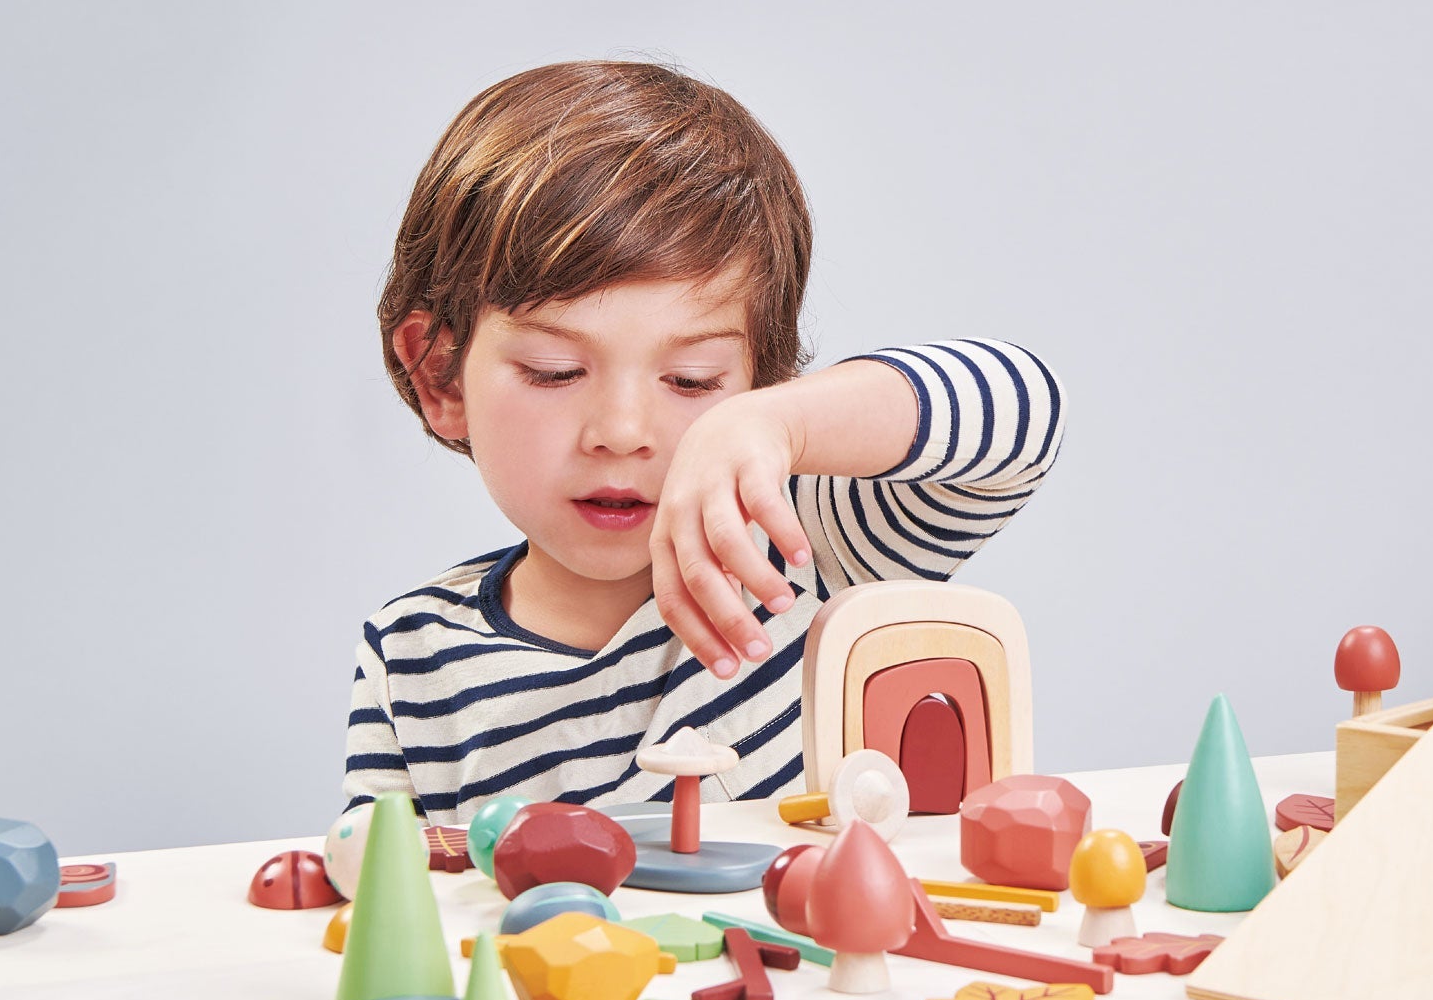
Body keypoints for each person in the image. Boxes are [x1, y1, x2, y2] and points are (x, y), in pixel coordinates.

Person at [344, 60, 1064, 823]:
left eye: (691, 382)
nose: (622, 433)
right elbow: (387, 910)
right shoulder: (411, 655)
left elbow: (1023, 408)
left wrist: (776, 426)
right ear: (440, 377)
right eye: (555, 372)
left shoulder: (806, 549)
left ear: (763, 379)